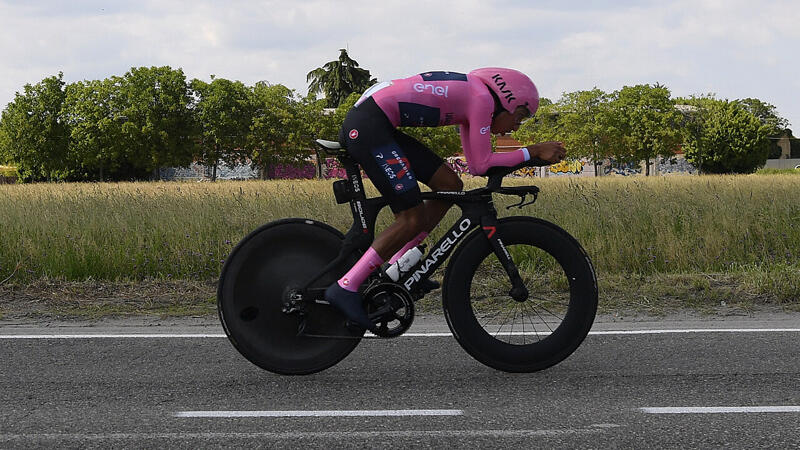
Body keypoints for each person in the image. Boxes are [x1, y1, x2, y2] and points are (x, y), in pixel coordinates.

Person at [325, 68, 566, 332]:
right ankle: (345, 287)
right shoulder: (482, 99)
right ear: (505, 100)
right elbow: (484, 164)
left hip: (375, 122)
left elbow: (476, 165)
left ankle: (400, 267)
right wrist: (534, 151)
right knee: (411, 217)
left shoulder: (475, 98)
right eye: (519, 116)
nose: (516, 126)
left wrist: (531, 154)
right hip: (369, 126)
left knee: (449, 185)